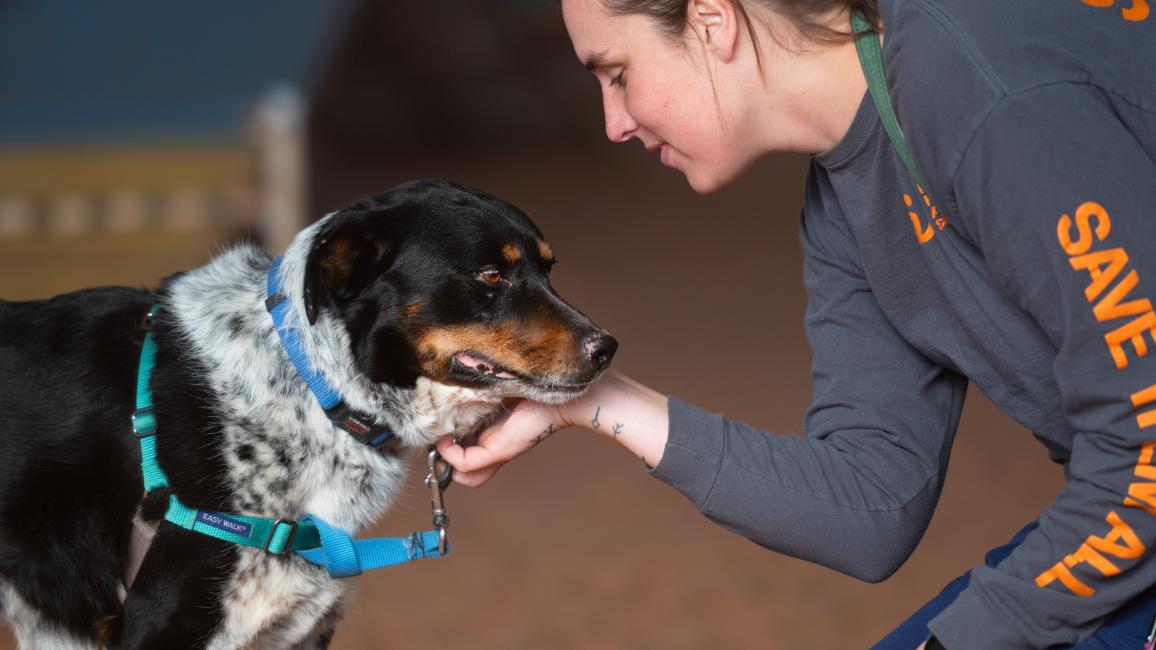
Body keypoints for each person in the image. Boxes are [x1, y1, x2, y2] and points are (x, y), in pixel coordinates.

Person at [435, 0, 1156, 647]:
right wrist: (592, 401)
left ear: (712, 20)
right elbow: (874, 504)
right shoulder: (845, 194)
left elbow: (1147, 453)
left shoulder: (978, 83)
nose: (612, 123)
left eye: (617, 74)